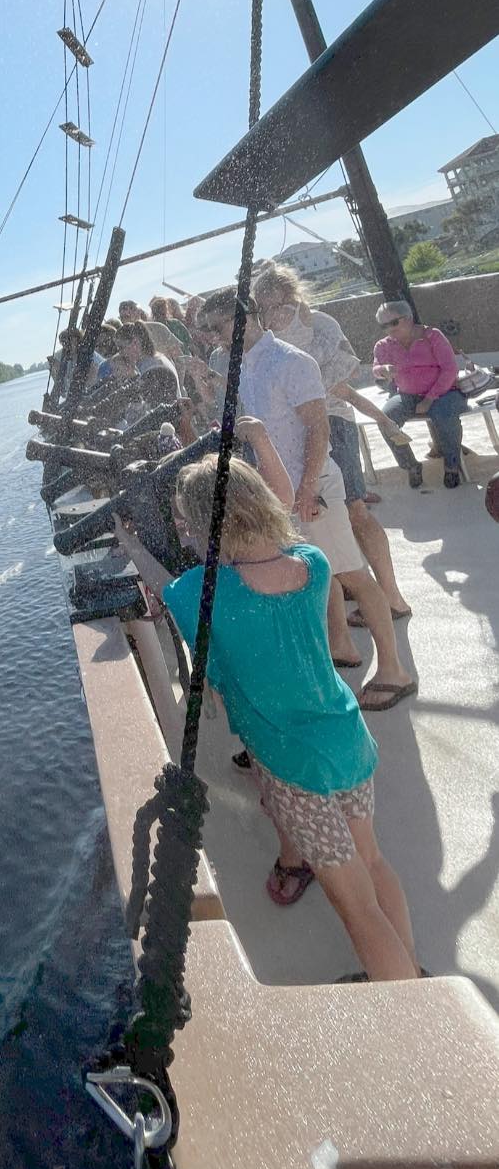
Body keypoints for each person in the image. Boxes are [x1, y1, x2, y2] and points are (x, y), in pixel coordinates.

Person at [113, 455, 420, 980]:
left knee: (355, 907)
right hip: (348, 739)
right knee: (372, 862)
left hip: (294, 765)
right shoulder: (313, 563)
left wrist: (132, 545)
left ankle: (409, 996)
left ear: (204, 524)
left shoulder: (200, 594)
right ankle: (412, 966)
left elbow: (170, 590)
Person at [197, 288, 415, 712]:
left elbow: (319, 427)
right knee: (320, 574)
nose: (213, 337)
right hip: (287, 492)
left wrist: (308, 488)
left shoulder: (291, 362)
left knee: (353, 574)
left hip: (312, 488)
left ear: (247, 318)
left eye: (218, 326)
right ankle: (343, 650)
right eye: (207, 330)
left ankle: (395, 671)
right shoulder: (245, 369)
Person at [253, 265, 411, 622]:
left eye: (274, 305)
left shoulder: (321, 325)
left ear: (291, 297)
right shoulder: (267, 336)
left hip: (332, 421)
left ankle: (392, 596)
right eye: (262, 309)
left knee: (355, 509)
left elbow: (344, 376)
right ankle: (365, 598)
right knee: (331, 520)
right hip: (295, 431)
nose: (270, 315)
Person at [373, 301, 468, 488]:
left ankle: (452, 464)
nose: (389, 329)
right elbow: (376, 369)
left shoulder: (432, 336)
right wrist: (382, 370)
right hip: (408, 394)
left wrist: (429, 398)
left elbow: (450, 370)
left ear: (408, 319)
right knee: (386, 419)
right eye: (384, 326)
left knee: (443, 415)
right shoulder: (384, 345)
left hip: (445, 391)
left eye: (393, 323)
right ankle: (410, 465)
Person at [118, 299, 185, 363]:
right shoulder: (121, 339)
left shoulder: (158, 328)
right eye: (124, 317)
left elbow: (179, 356)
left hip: (165, 371)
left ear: (139, 313)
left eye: (128, 315)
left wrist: (179, 374)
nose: (128, 319)